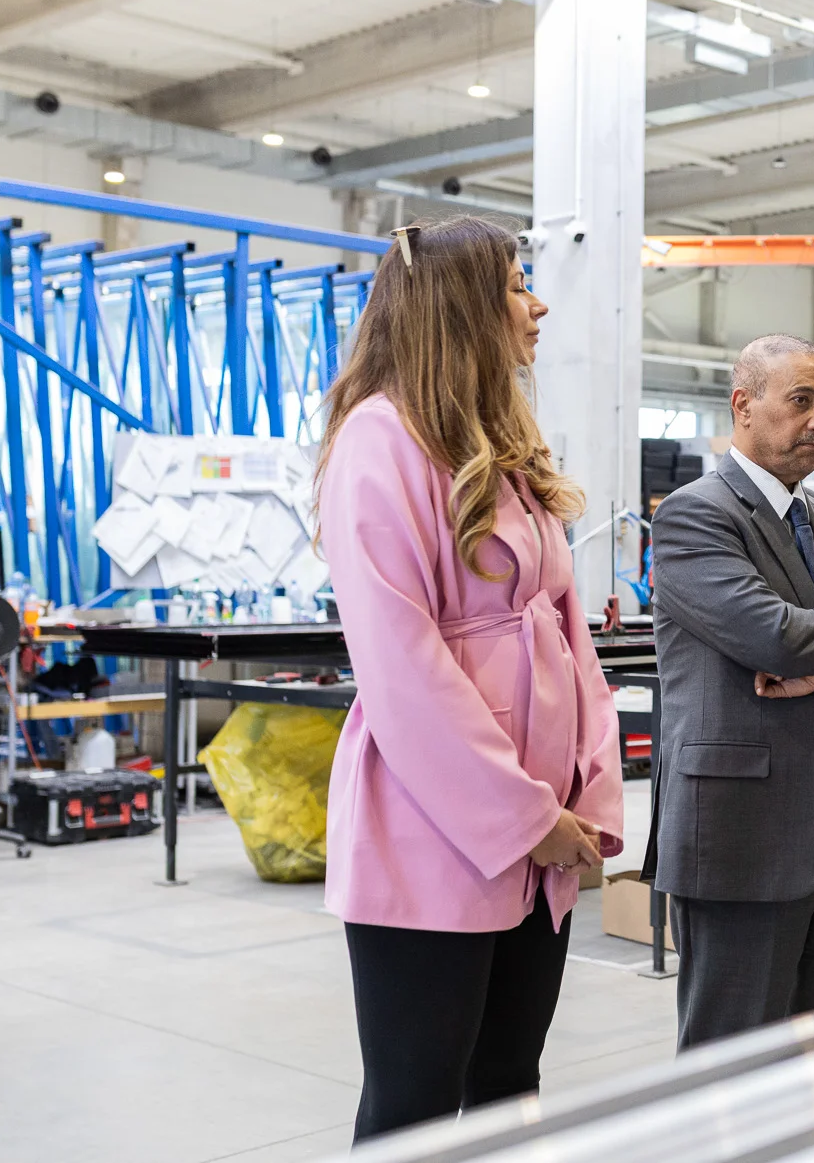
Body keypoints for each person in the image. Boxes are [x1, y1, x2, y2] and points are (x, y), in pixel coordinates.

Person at [315, 217, 625, 1142]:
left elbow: (573, 638)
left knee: (507, 1087)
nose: (536, 306)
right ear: (460, 308)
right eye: (518, 286)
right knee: (415, 1102)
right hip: (435, 836)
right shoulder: (380, 443)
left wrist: (594, 787)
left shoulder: (502, 449)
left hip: (545, 849)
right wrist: (530, 818)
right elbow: (405, 672)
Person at [650, 334, 814, 1050]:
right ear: (744, 405)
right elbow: (771, 634)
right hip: (744, 826)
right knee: (732, 1059)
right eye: (802, 400)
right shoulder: (694, 515)